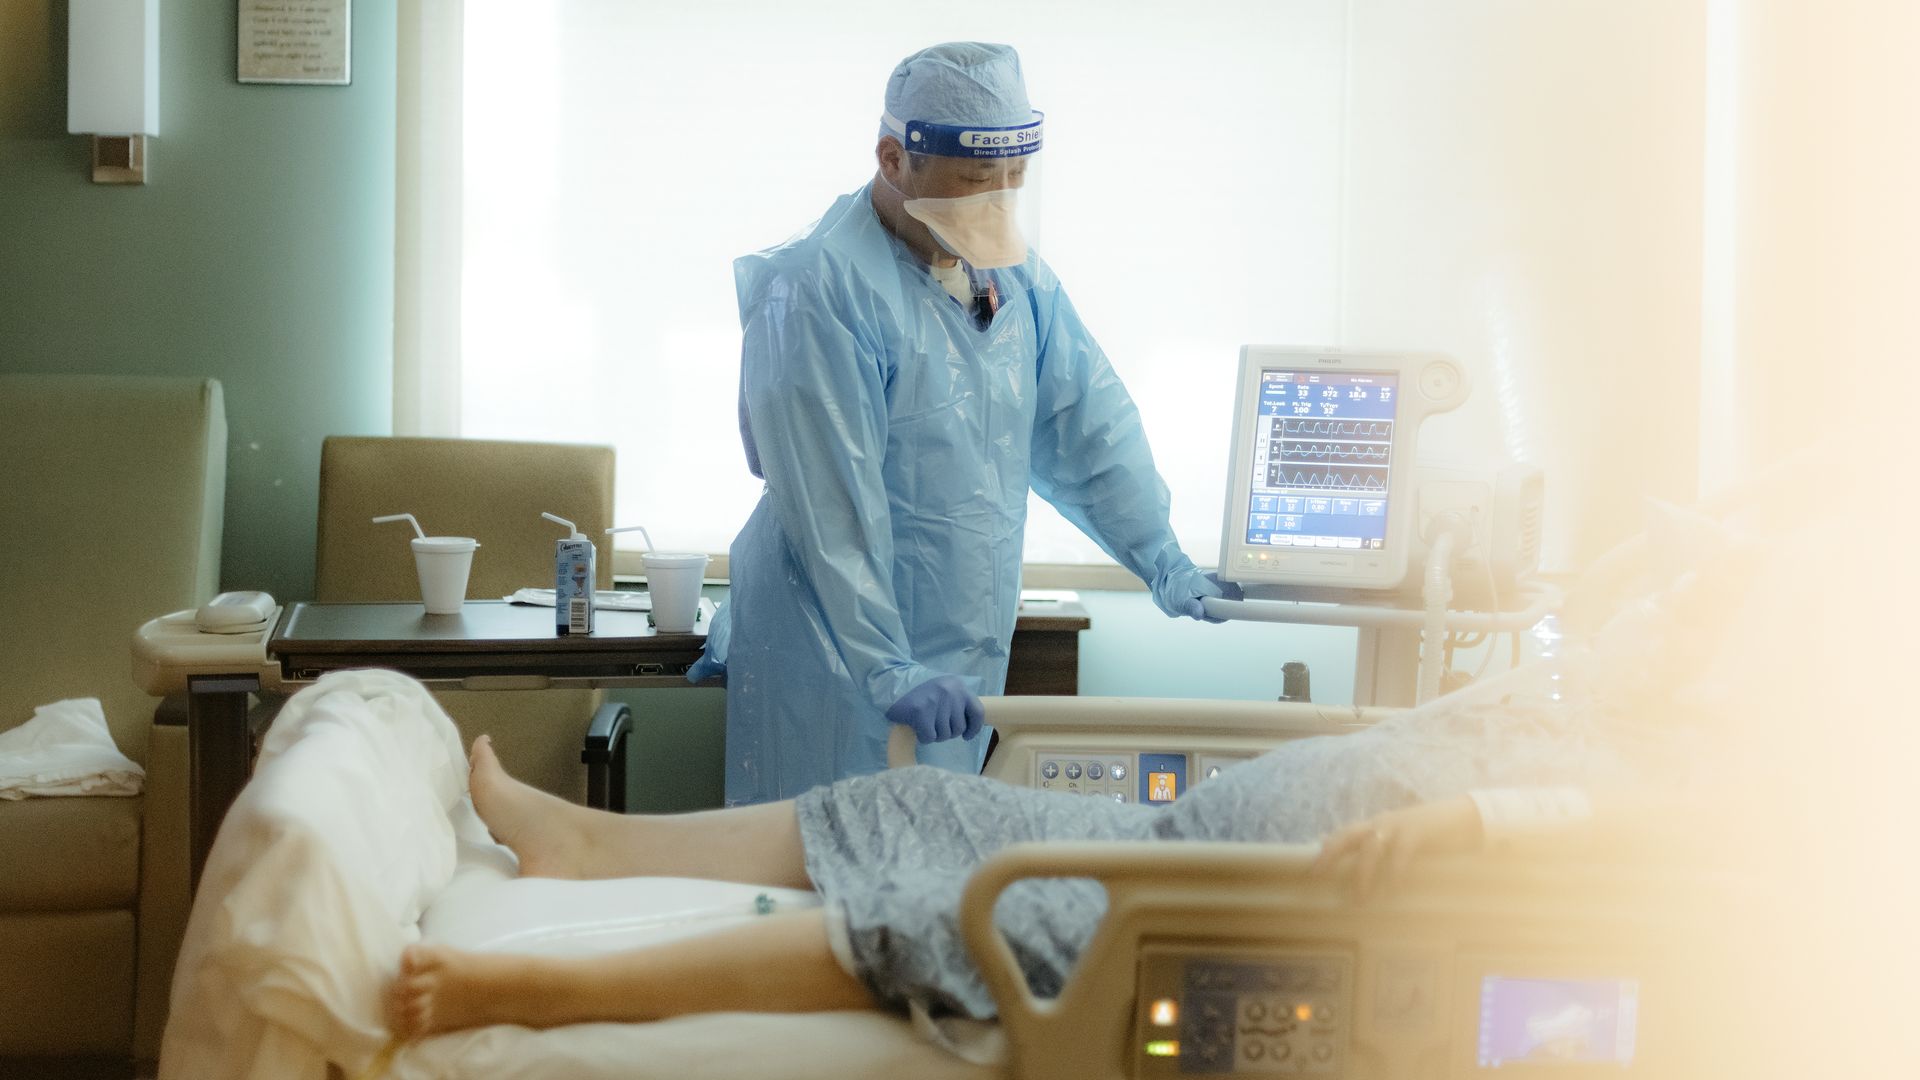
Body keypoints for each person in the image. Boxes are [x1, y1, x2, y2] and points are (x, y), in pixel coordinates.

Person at [686, 42, 1236, 805]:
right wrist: (884, 663)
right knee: (825, 870)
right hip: (833, 644)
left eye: (1012, 184)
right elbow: (830, 505)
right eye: (976, 183)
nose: (995, 208)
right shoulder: (819, 291)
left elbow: (1086, 419)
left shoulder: (1010, 281)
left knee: (932, 868)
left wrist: (1163, 557)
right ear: (892, 158)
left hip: (959, 645)